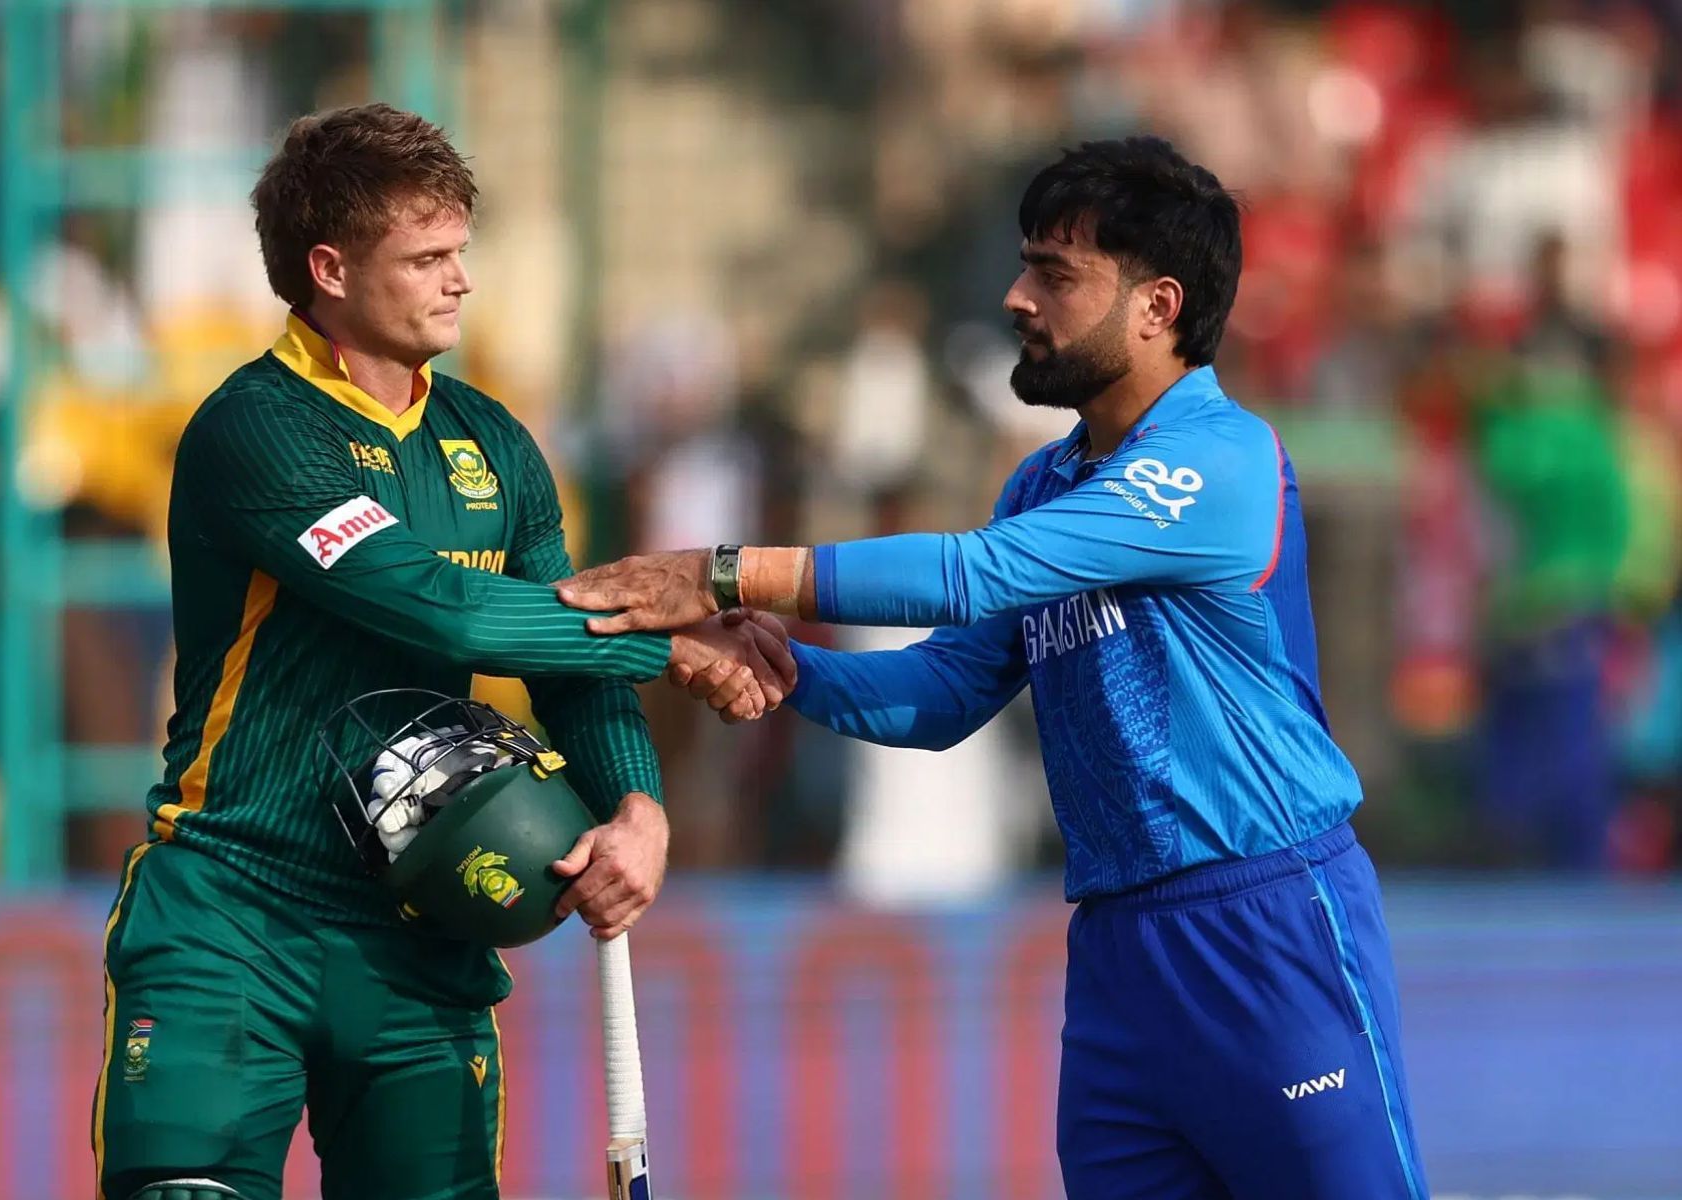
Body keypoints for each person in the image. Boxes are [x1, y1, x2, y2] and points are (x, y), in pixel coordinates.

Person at [558, 137, 1428, 1199]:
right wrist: (784, 669)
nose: (1018, 298)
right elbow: (940, 695)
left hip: (1264, 926)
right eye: (1025, 266)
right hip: (1118, 959)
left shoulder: (1220, 459)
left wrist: (725, 575)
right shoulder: (1044, 480)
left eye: (1056, 275)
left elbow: (975, 575)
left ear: (1157, 307)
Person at [91, 103, 786, 1200]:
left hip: (422, 930)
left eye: (460, 251)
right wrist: (668, 643)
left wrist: (638, 809)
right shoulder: (254, 428)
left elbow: (564, 661)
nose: (460, 280)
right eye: (426, 258)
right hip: (232, 916)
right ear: (328, 268)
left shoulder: (494, 445)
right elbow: (443, 614)